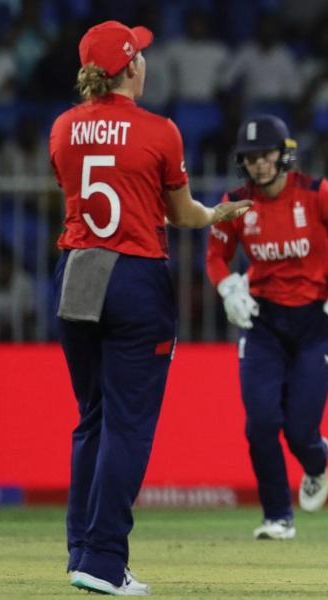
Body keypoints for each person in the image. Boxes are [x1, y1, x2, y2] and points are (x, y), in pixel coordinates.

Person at [49, 20, 251, 596]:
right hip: (134, 275)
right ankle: (106, 560)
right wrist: (216, 215)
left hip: (77, 270)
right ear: (132, 65)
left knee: (92, 418)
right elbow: (181, 215)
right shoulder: (160, 132)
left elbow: (88, 194)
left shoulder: (63, 128)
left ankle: (82, 552)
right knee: (128, 425)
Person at [205, 114, 328, 540]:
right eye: (251, 158)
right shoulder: (236, 203)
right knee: (260, 424)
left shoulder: (316, 193)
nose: (260, 165)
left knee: (300, 433)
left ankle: (316, 462)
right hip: (263, 322)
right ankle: (278, 516)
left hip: (315, 321)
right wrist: (227, 289)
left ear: (284, 155)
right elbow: (215, 256)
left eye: (266, 156)